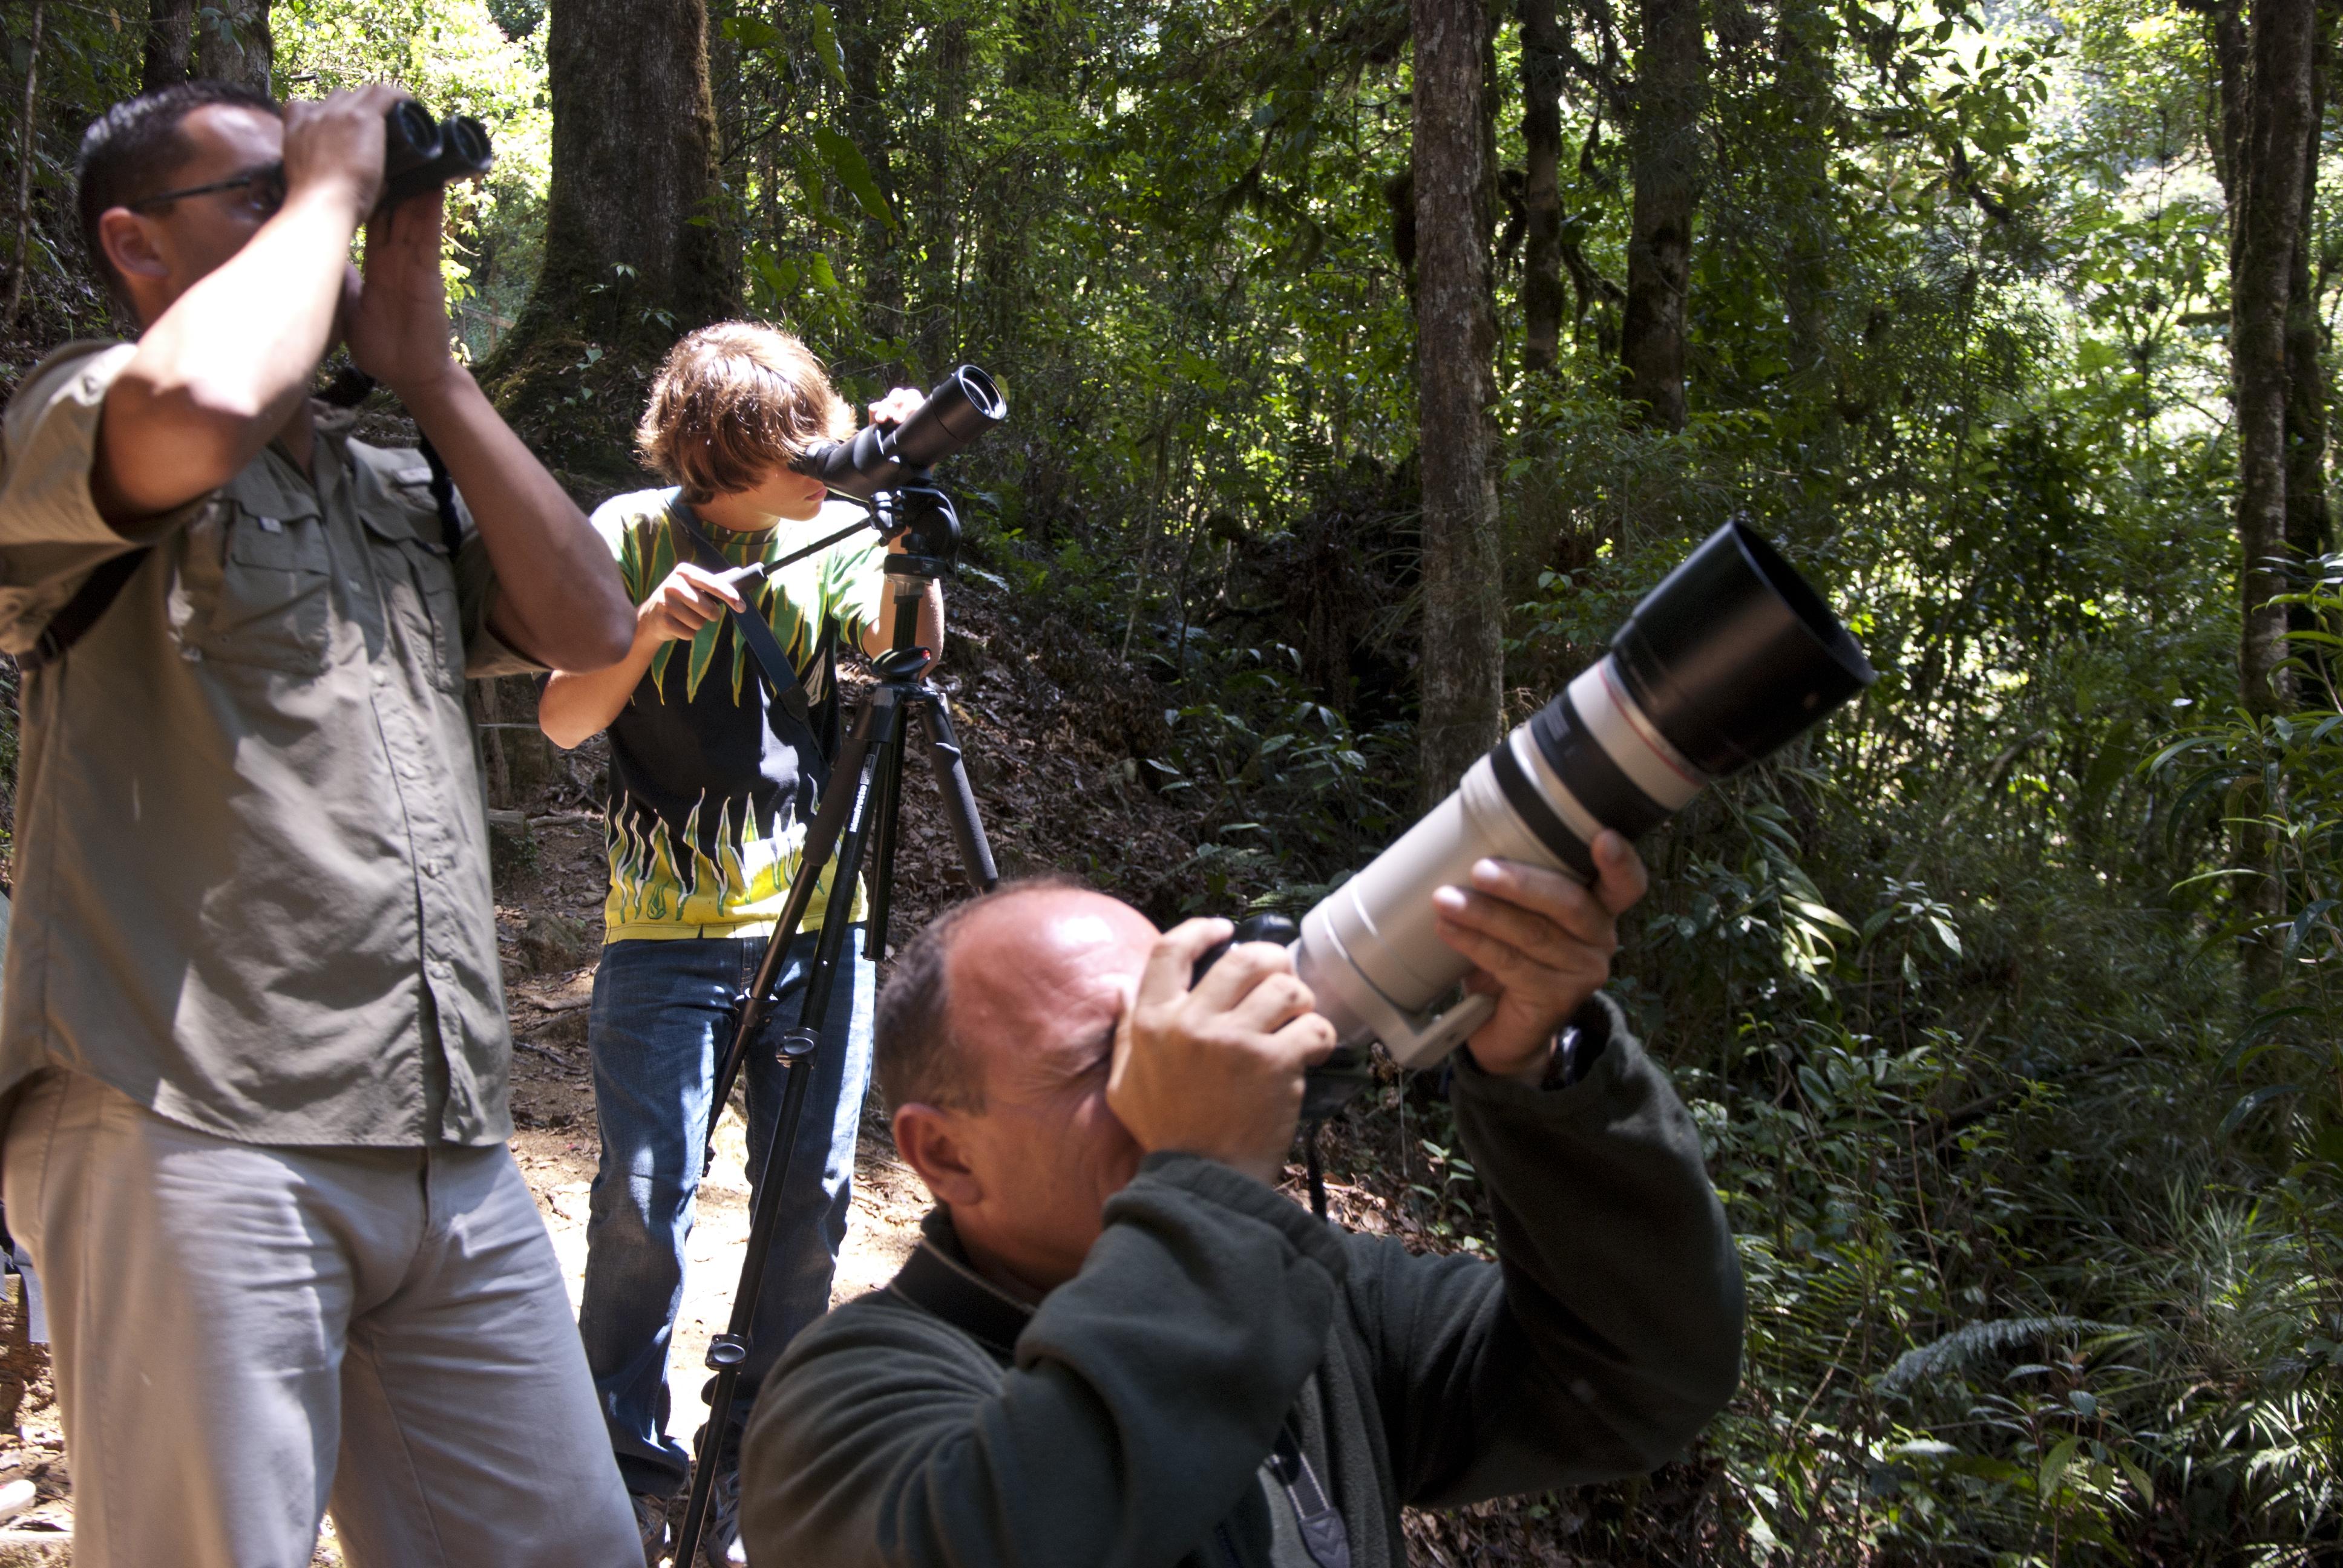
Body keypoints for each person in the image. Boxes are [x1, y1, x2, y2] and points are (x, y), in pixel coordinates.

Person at [0, 80, 645, 1567]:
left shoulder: (394, 488)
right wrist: (336, 184)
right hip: (193, 1120)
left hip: (438, 1126)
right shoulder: (75, 411)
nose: (320, 216)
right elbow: (208, 409)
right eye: (259, 189)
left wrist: (436, 378)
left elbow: (591, 625)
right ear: (133, 243)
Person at [738, 834, 1747, 1567]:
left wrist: (1544, 1068)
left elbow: (1635, 1374)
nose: (1184, 1073)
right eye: (1111, 1058)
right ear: (945, 1155)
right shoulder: (840, 1402)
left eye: (1180, 1030)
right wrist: (1207, 1184)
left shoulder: (1319, 1300)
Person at [537, 321, 945, 1564]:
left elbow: (909, 664)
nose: (821, 459)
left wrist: (909, 527)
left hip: (821, 925)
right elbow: (563, 719)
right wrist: (645, 631)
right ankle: (624, 1457)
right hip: (664, 937)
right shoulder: (625, 535)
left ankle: (751, 1454)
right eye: (796, 445)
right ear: (722, 453)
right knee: (641, 1205)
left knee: (808, 1205)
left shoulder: (839, 526)